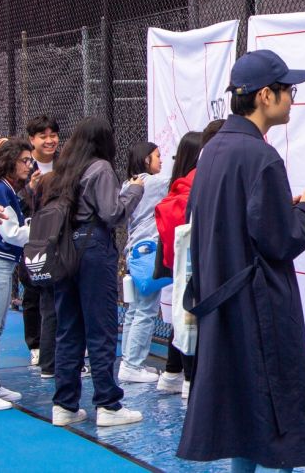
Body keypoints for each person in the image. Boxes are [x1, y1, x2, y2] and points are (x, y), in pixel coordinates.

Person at [177, 50, 305, 471]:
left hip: (224, 302)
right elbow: (280, 242)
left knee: (244, 417)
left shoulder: (214, 150)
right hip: (260, 303)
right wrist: (304, 210)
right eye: (287, 90)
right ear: (265, 95)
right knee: (277, 418)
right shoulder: (261, 156)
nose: (292, 98)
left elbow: (224, 220)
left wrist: (285, 204)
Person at [42, 116, 145, 427]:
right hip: (93, 247)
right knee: (100, 326)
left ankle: (65, 404)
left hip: (64, 249)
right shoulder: (100, 168)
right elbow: (112, 213)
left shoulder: (63, 171)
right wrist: (133, 191)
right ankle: (108, 404)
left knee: (69, 328)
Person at [153, 130, 205, 397]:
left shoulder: (177, 184)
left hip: (178, 265)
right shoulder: (195, 185)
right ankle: (188, 378)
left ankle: (173, 372)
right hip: (196, 266)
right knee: (193, 320)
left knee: (181, 316)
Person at [117, 141, 167, 384]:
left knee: (134, 310)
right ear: (146, 160)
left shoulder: (129, 183)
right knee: (146, 310)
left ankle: (128, 361)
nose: (161, 161)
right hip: (148, 251)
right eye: (157, 156)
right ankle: (133, 365)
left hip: (134, 252)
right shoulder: (154, 183)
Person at [0, 138, 36, 410]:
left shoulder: (8, 190)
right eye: (24, 160)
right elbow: (11, 232)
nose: (29, 165)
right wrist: (41, 229)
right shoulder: (1, 189)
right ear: (10, 162)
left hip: (4, 263)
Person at [19, 115, 60, 370]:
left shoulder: (65, 163)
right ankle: (36, 345)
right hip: (32, 238)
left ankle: (59, 344)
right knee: (33, 291)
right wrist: (29, 192)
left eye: (52, 135)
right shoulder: (24, 167)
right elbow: (14, 201)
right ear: (32, 139)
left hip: (60, 236)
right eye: (43, 136)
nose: (49, 140)